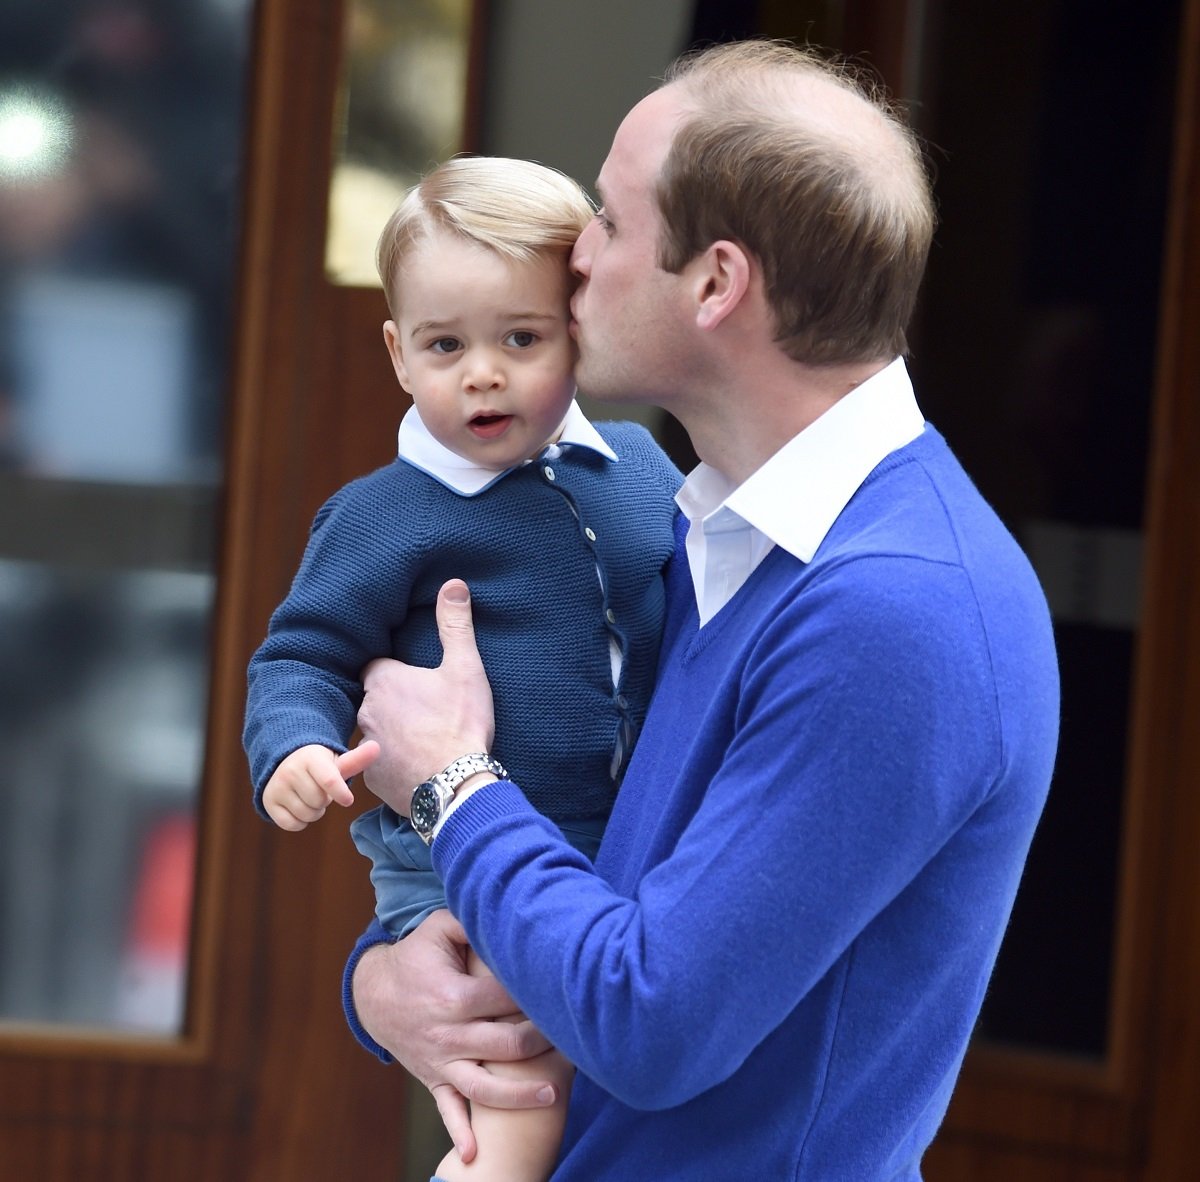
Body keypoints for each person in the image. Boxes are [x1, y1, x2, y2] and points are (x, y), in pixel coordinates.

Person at [344, 40, 1061, 1182]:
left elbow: (648, 1019)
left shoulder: (899, 613)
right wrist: (388, 983)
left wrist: (446, 785)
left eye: (613, 222)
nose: (573, 253)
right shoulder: (698, 533)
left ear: (716, 283)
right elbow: (582, 881)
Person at [242, 156, 681, 1182]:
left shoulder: (644, 473)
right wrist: (296, 749)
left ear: (580, 327)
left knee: (596, 1096)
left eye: (519, 339)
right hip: (456, 864)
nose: (481, 372)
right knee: (521, 1106)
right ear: (398, 354)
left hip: (620, 848)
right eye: (445, 345)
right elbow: (301, 655)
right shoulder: (380, 516)